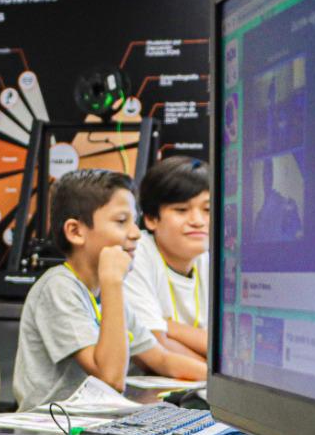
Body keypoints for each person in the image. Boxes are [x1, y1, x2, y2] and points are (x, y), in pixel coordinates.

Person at [13, 170, 206, 409]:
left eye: (133, 221)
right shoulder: (59, 287)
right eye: (121, 221)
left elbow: (161, 359)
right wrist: (113, 282)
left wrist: (217, 384)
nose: (136, 233)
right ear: (75, 231)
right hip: (52, 433)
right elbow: (110, 379)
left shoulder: (104, 292)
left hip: (93, 423)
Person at [124, 154, 211, 361]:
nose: (198, 221)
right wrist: (212, 374)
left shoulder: (212, 259)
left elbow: (230, 348)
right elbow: (154, 345)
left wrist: (169, 327)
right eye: (182, 210)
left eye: (207, 209)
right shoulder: (134, 255)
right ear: (151, 219)